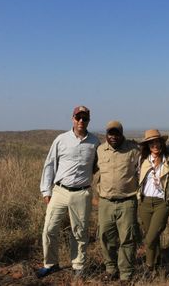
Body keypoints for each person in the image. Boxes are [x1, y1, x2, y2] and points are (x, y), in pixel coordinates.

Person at [37, 106, 100, 279]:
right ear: (72, 118)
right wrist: (45, 190)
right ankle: (50, 264)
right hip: (60, 191)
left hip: (81, 193)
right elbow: (50, 163)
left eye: (84, 118)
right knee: (49, 229)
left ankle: (78, 265)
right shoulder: (61, 139)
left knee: (79, 231)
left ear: (88, 120)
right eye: (78, 117)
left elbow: (98, 165)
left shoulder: (95, 142)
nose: (81, 121)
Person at [94, 120, 140, 283]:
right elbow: (93, 170)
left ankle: (126, 273)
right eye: (110, 133)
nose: (113, 137)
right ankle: (111, 269)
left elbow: (148, 160)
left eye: (116, 133)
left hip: (127, 201)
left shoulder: (133, 150)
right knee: (106, 237)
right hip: (105, 201)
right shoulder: (100, 150)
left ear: (122, 134)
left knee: (128, 238)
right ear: (107, 134)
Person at [138, 129, 169, 277]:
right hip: (144, 203)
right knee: (153, 237)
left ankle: (149, 267)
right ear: (147, 145)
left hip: (161, 203)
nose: (155, 145)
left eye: (157, 142)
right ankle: (157, 266)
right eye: (151, 143)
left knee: (150, 238)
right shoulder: (142, 160)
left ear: (162, 143)